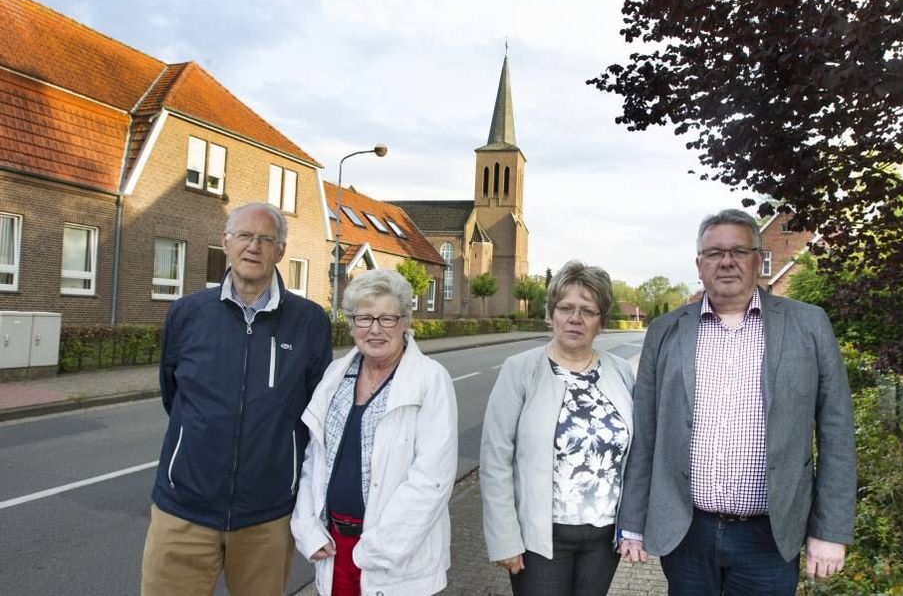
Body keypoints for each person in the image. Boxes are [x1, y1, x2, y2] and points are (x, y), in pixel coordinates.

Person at [617, 209, 856, 594]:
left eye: (738, 251)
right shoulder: (665, 332)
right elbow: (646, 434)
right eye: (713, 253)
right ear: (699, 264)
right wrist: (633, 521)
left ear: (757, 260)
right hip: (686, 532)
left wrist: (830, 530)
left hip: (770, 537)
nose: (726, 261)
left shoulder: (809, 325)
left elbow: (838, 434)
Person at [141, 202, 334, 595]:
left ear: (281, 251)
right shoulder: (186, 314)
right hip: (183, 511)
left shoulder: (310, 321)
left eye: (266, 239)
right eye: (244, 236)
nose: (254, 247)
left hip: (267, 517)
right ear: (225, 242)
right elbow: (173, 395)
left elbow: (316, 410)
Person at [290, 269, 458, 595]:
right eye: (364, 318)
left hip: (392, 555)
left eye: (388, 318)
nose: (375, 329)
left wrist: (376, 550)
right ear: (351, 324)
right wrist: (307, 528)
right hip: (335, 546)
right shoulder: (336, 376)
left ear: (406, 322)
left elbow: (432, 479)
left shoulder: (430, 380)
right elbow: (314, 458)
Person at [480, 260, 636, 596]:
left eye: (588, 311)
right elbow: (495, 460)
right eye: (565, 308)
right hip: (539, 538)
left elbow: (636, 455)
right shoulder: (520, 370)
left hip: (603, 538)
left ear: (601, 321)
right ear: (551, 314)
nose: (575, 318)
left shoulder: (621, 372)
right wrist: (504, 538)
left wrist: (633, 526)